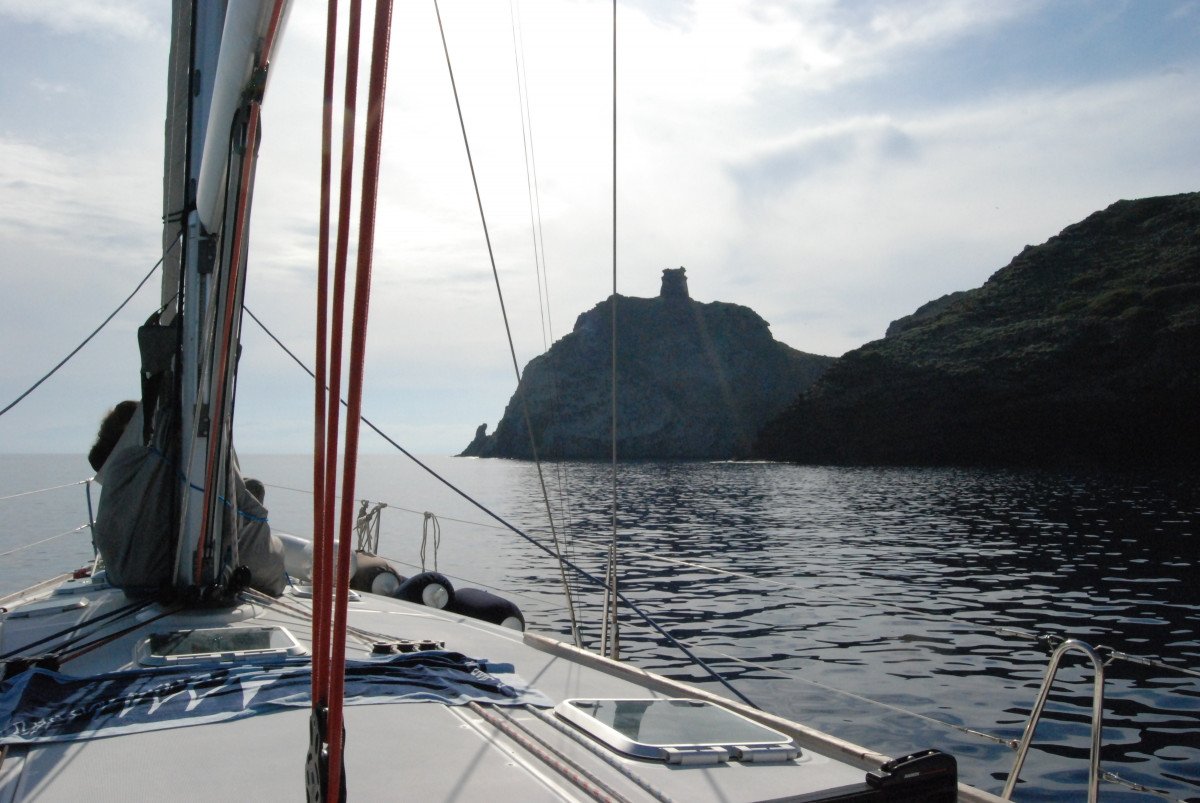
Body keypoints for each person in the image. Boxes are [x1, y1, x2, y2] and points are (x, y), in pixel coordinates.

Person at [89, 401, 285, 596]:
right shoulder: (143, 465)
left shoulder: (128, 469)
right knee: (253, 489)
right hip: (173, 576)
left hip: (132, 582)